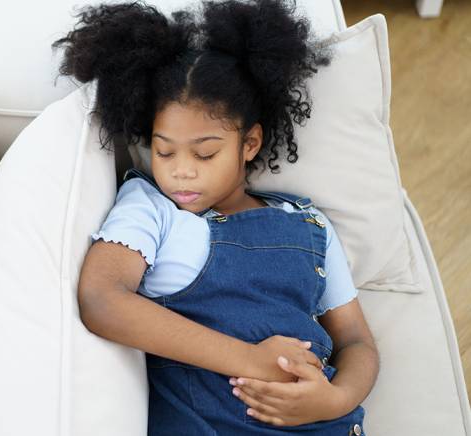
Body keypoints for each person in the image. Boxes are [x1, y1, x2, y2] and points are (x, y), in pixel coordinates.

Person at [53, 0, 379, 434]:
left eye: (205, 153)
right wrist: (250, 360)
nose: (180, 169)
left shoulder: (310, 224)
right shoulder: (151, 209)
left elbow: (356, 340)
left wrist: (335, 399)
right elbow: (102, 300)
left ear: (250, 144)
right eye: (164, 150)